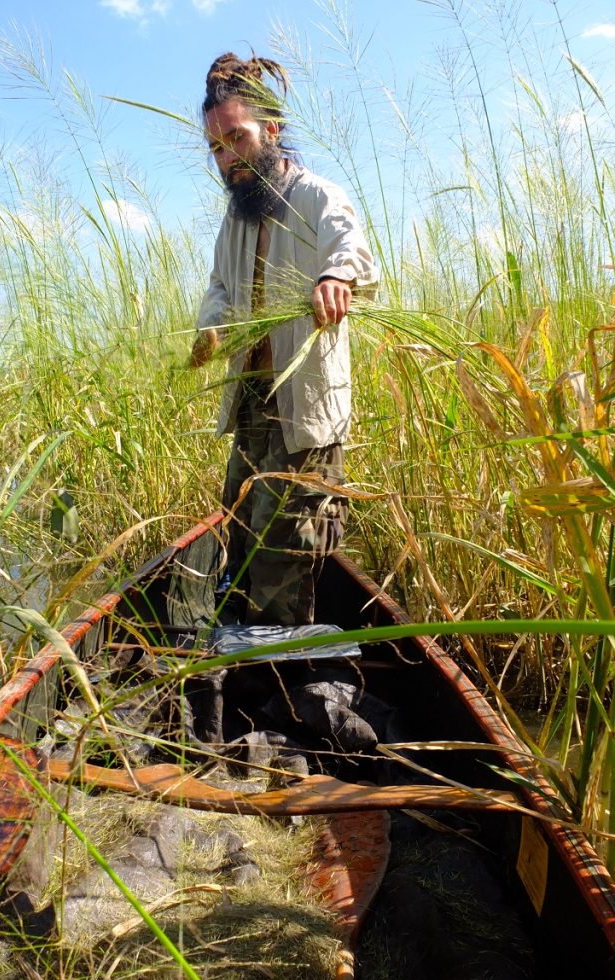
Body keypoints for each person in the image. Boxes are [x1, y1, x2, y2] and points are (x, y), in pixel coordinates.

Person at [191, 52, 378, 625]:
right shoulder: (236, 222)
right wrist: (213, 325)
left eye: (236, 138)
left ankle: (285, 677)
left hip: (305, 414)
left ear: (270, 128)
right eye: (216, 148)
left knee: (288, 547)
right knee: (241, 532)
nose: (227, 158)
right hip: (252, 405)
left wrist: (336, 277)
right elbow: (222, 286)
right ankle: (251, 649)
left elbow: (356, 256)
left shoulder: (319, 197)